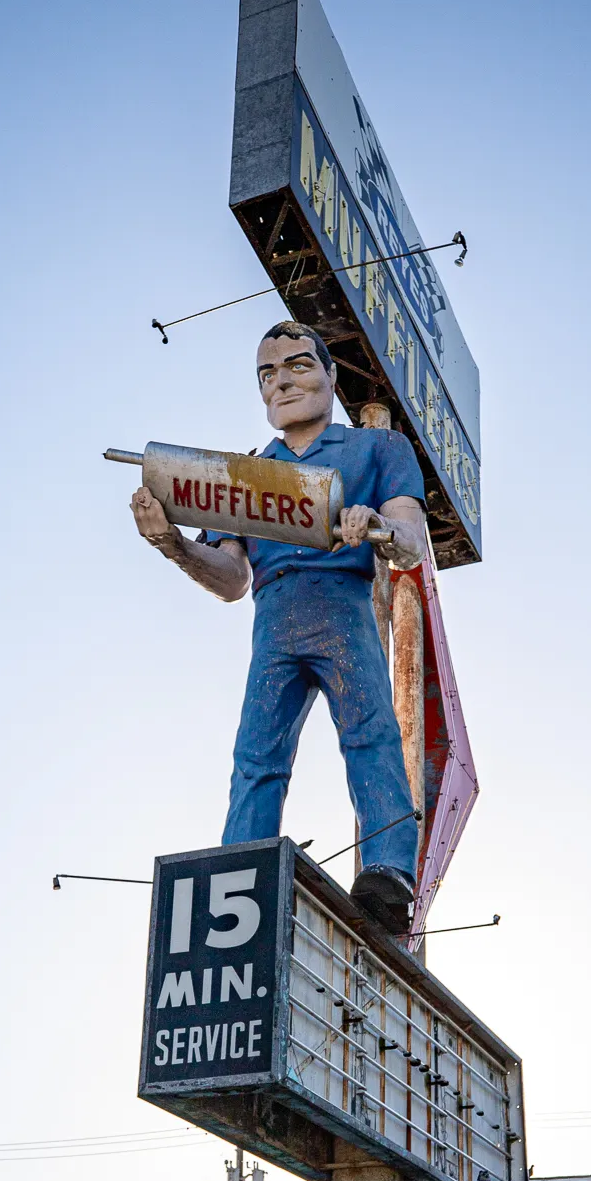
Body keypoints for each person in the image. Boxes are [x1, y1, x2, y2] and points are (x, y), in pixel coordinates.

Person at [129, 321, 427, 936]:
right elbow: (233, 578)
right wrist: (171, 543)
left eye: (298, 365)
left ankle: (390, 870)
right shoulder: (245, 476)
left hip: (343, 602)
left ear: (329, 374)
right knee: (256, 754)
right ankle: (239, 872)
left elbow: (411, 543)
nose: (283, 382)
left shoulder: (376, 450)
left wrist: (375, 526)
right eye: (269, 374)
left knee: (370, 732)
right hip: (275, 613)